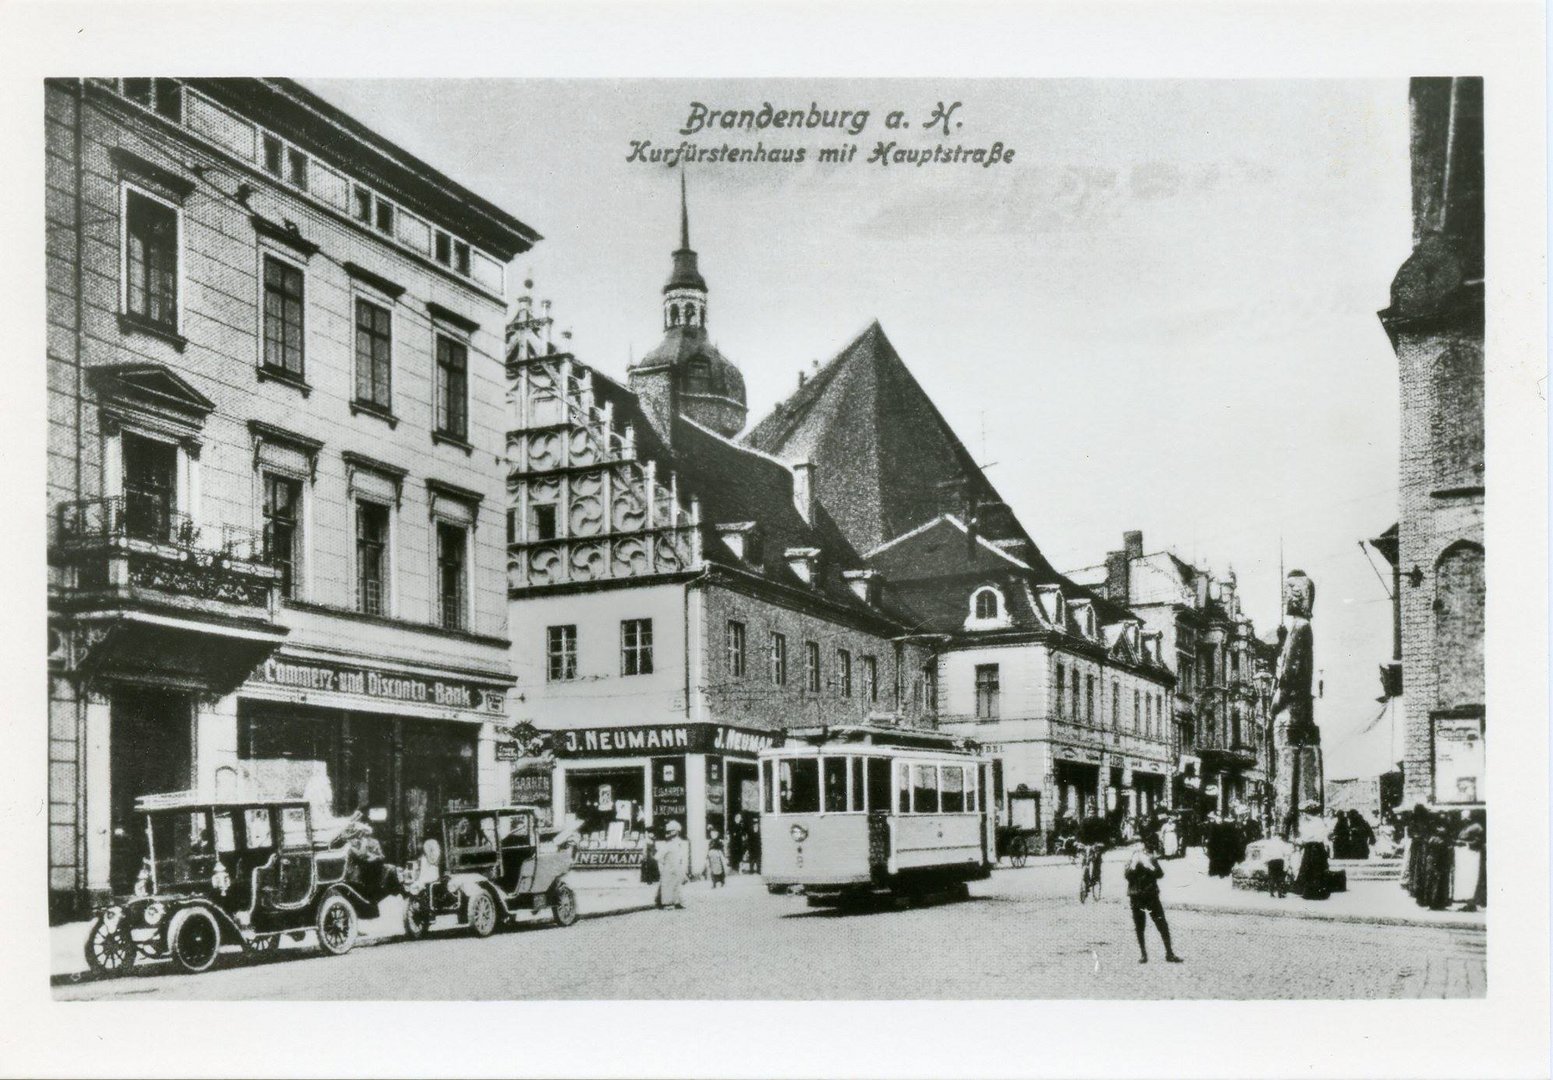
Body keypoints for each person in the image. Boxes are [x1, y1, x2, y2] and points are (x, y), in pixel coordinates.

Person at [1124, 838, 1182, 964]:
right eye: (1134, 845)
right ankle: (1143, 954)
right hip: (1136, 897)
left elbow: (1160, 874)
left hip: (1151, 897)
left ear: (1144, 846)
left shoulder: (1151, 858)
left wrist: (1149, 866)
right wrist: (1133, 866)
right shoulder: (1130, 861)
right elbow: (1127, 877)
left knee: (1162, 925)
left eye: (1139, 844)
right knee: (1140, 927)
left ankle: (1169, 953)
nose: (1137, 848)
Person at [655, 820, 691, 909]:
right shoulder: (668, 844)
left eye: (672, 831)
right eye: (670, 831)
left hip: (677, 868)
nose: (671, 833)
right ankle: (667, 903)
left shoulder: (681, 843)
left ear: (677, 832)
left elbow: (682, 857)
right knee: (668, 886)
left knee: (677, 885)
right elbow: (658, 856)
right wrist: (665, 865)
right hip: (669, 868)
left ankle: (677, 902)